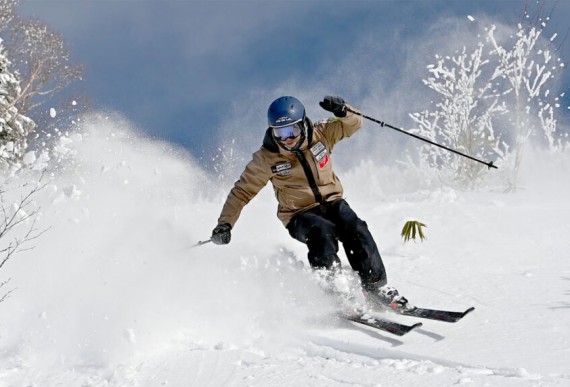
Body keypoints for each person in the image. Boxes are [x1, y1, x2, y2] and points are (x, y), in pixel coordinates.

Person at [210, 95, 408, 309]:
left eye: (291, 131)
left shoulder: (321, 133)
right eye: (280, 133)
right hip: (299, 214)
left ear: (303, 123)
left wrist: (343, 111)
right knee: (321, 232)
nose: (287, 139)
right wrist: (225, 224)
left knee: (355, 227)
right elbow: (241, 192)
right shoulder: (266, 158)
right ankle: (336, 293)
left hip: (332, 201)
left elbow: (355, 123)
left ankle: (375, 287)